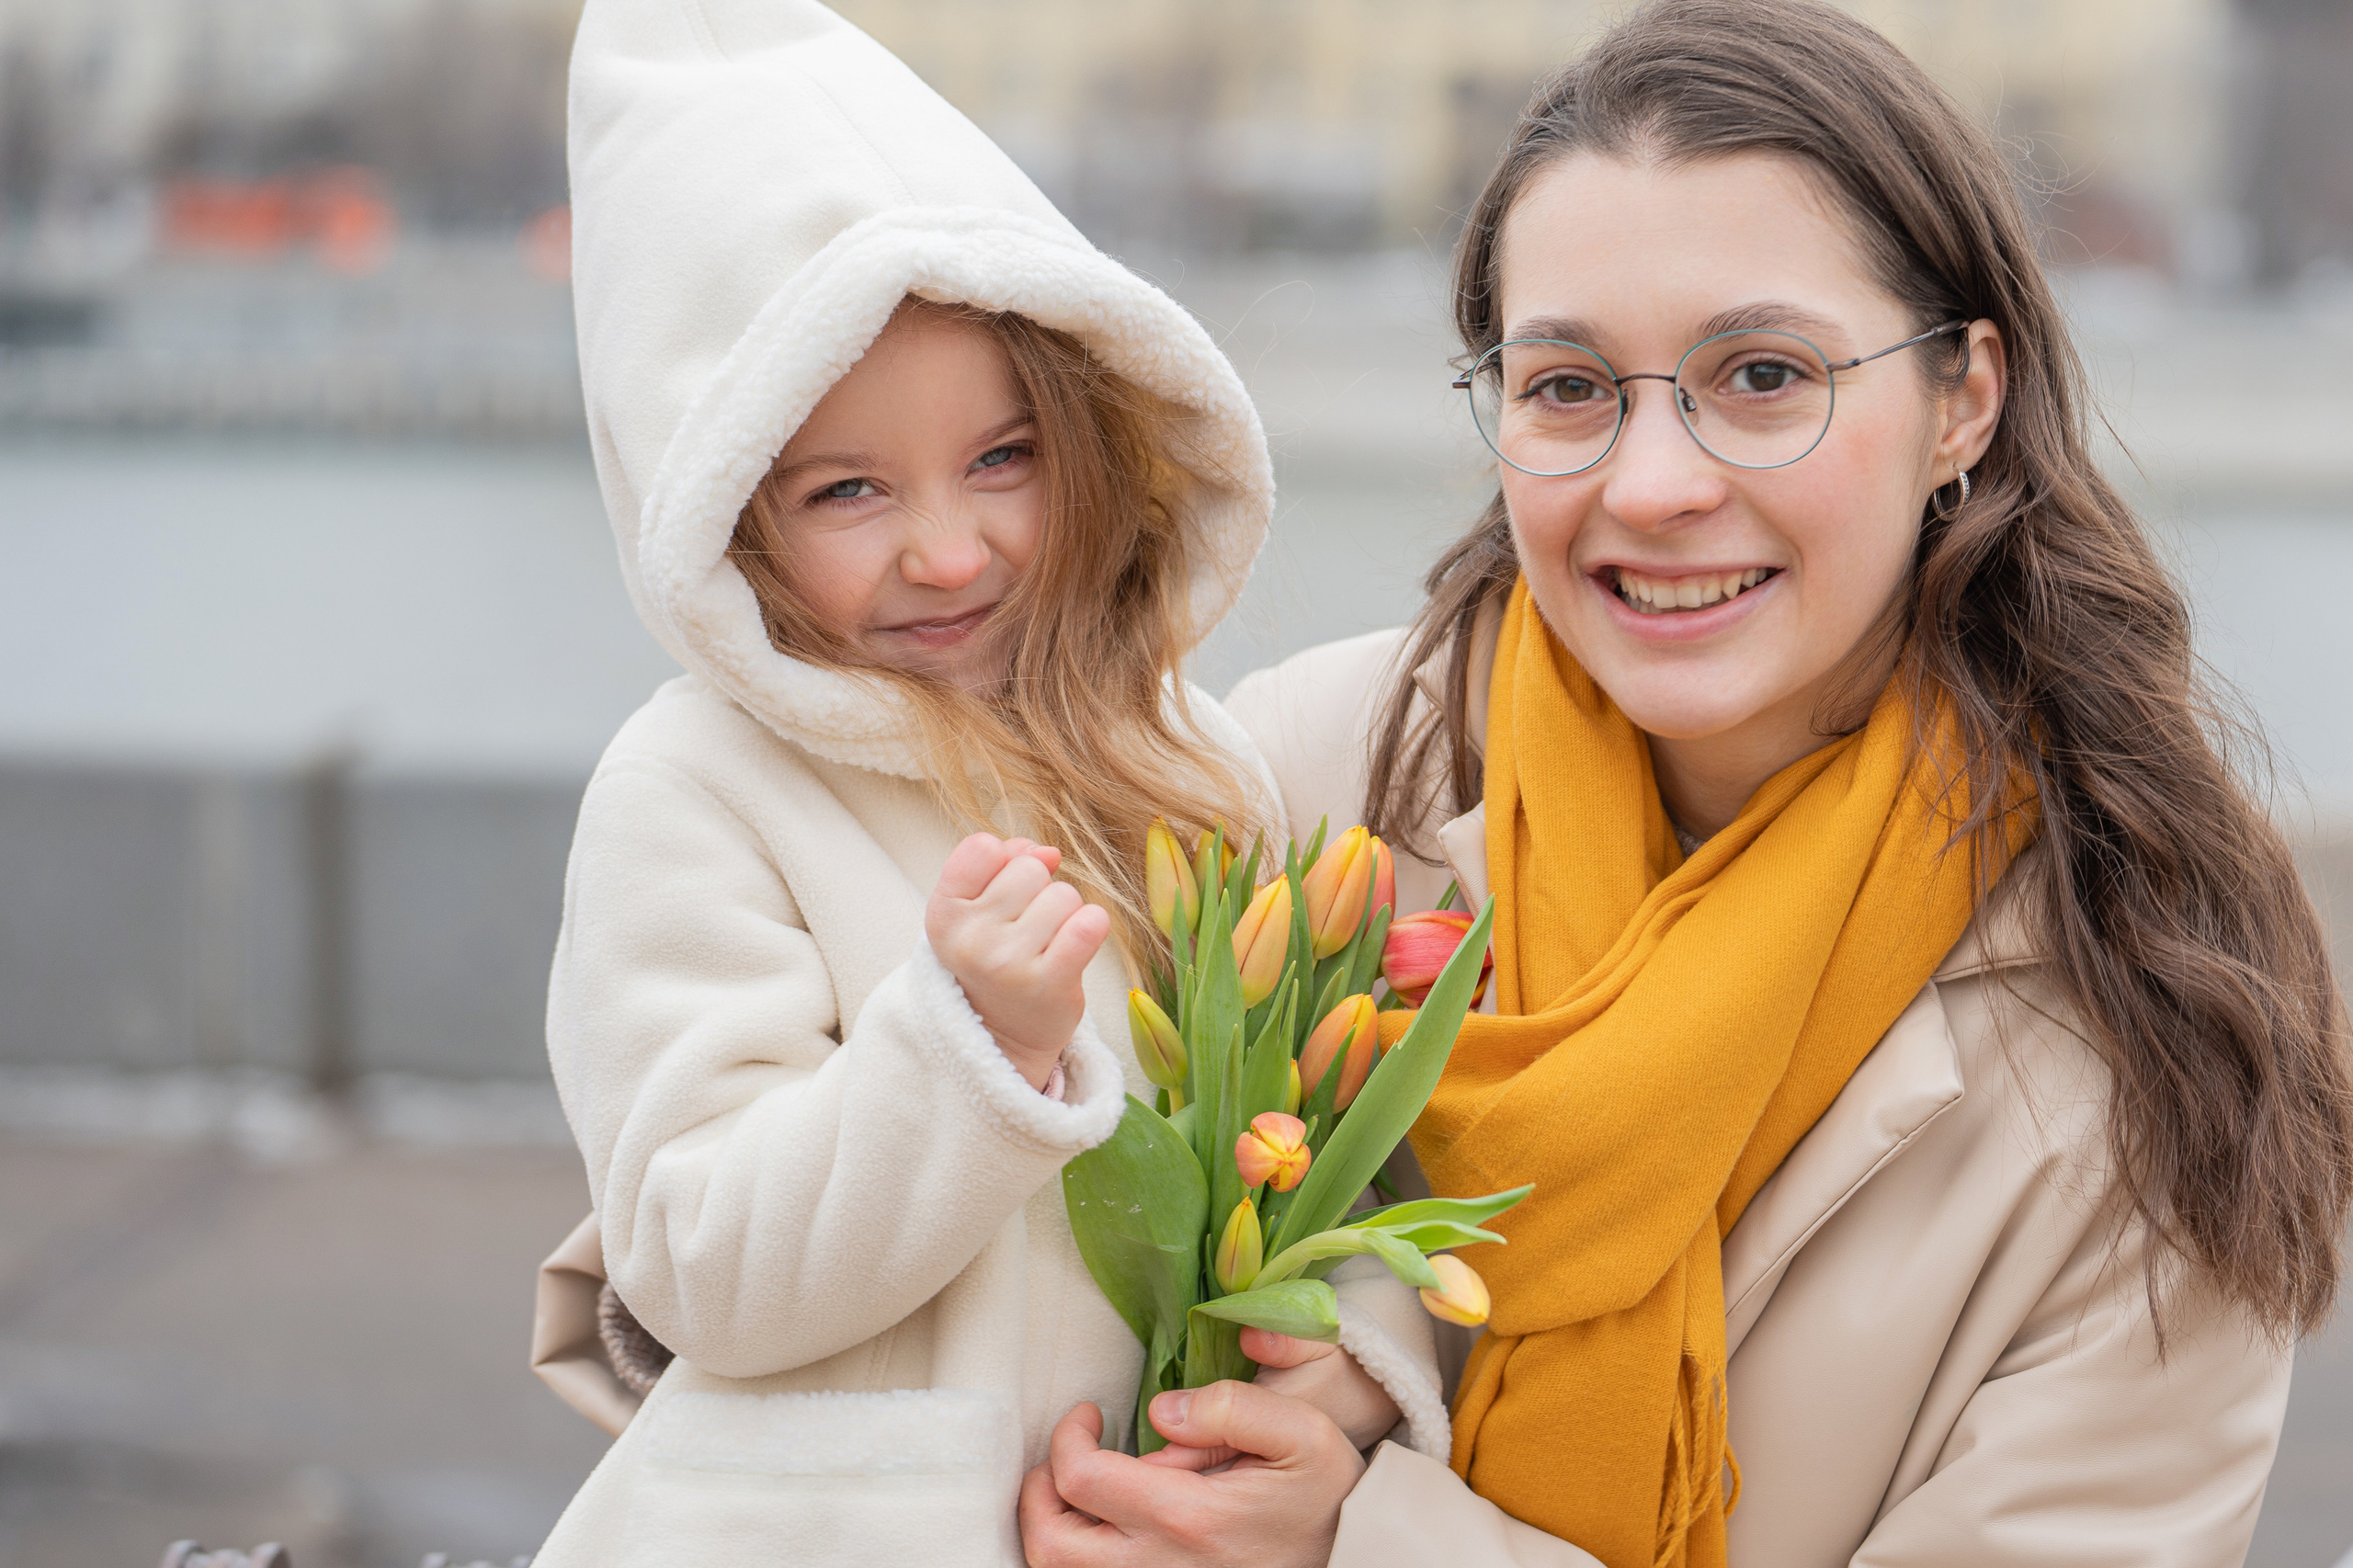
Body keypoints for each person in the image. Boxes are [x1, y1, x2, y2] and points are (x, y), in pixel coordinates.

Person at [1019, 2, 2353, 1564]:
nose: (1652, 485)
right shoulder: (1298, 787)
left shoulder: (2159, 1028)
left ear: (1965, 401)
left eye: (1764, 374)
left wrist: (1352, 1545)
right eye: (1569, 386)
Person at [526, 4, 1444, 1566]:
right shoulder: (696, 792)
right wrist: (966, 1046)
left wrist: (1350, 1370)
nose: (949, 551)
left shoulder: (1192, 765)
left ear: (1094, 441)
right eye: (849, 490)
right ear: (726, 517)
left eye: (1005, 459)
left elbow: (1338, 1167)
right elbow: (694, 1266)